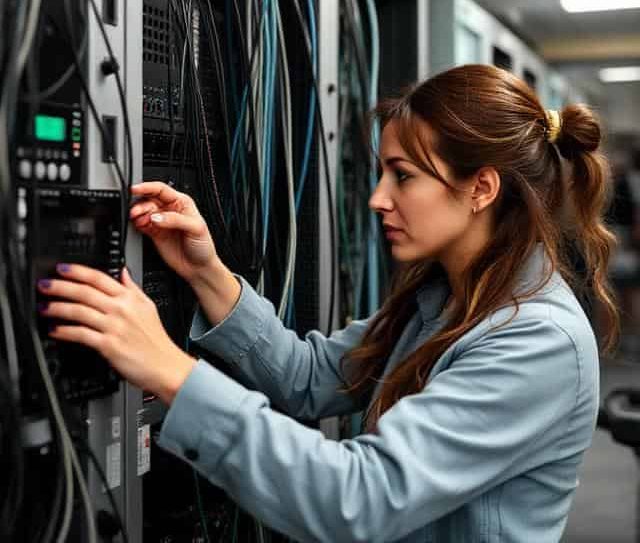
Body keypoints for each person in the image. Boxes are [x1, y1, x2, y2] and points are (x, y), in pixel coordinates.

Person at [37, 64, 618, 542]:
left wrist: (166, 369)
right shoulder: (449, 296)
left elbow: (358, 499)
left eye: (403, 176)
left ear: (481, 188)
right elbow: (311, 377)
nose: (377, 198)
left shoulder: (537, 341)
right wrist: (206, 273)